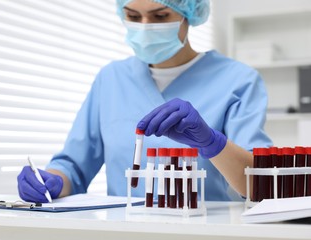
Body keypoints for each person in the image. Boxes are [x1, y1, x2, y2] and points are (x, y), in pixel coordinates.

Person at [17, 0, 272, 203]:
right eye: (133, 16)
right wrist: (52, 181)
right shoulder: (111, 78)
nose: (145, 26)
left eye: (160, 16)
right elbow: (74, 166)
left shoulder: (238, 80)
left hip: (205, 234)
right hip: (125, 235)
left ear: (189, 14)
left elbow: (257, 184)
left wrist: (212, 142)